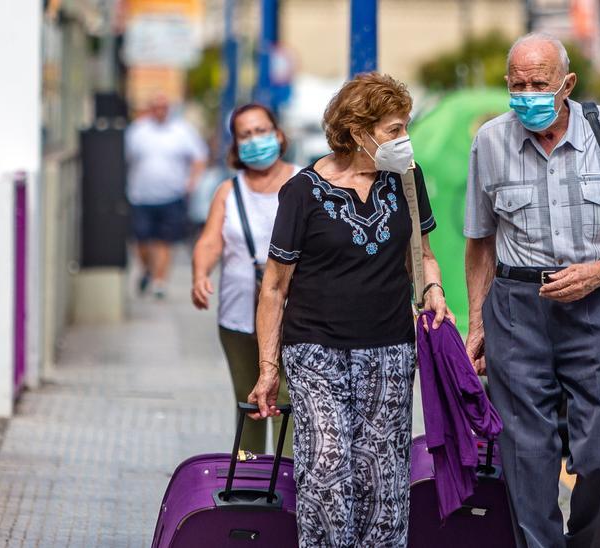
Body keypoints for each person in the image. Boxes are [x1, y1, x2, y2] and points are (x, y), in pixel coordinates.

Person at [463, 33, 600, 548]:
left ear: (567, 84)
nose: (527, 93)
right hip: (517, 308)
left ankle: (588, 540)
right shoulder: (489, 141)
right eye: (518, 84)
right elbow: (481, 243)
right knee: (527, 452)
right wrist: (477, 321)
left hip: (595, 303)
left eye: (539, 83)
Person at [247, 72, 453, 547]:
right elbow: (275, 286)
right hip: (315, 352)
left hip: (390, 352)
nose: (404, 140)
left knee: (383, 480)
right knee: (325, 469)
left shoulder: (406, 178)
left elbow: (421, 254)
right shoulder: (302, 192)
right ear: (359, 132)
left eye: (405, 128)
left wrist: (434, 291)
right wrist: (267, 367)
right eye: (393, 130)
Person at [190, 103, 298, 454]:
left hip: (293, 312)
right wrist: (200, 273)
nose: (256, 139)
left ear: (278, 135)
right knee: (248, 401)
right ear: (235, 145)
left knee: (285, 397)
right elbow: (210, 240)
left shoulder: (304, 183)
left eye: (262, 130)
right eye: (246, 134)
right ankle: (251, 479)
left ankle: (286, 479)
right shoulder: (228, 191)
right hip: (237, 316)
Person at [125, 95, 208, 299]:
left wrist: (191, 182)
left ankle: (159, 281)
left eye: (164, 106)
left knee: (164, 241)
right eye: (156, 106)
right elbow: (124, 158)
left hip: (172, 196)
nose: (160, 110)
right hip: (140, 196)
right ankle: (147, 269)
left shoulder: (182, 131)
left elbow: (199, 157)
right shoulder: (137, 131)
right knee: (142, 241)